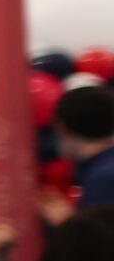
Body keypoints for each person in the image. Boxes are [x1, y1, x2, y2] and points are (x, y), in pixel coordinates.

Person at [46, 84, 114, 223]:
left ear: (61, 128)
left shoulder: (103, 179)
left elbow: (98, 241)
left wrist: (65, 223)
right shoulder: (103, 170)